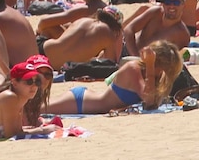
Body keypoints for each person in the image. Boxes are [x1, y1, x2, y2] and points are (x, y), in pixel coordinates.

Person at [45, 40, 182, 114]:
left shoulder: (154, 76)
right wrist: (151, 65)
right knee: (34, 110)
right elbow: (149, 100)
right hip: (80, 102)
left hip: (88, 101)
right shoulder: (133, 69)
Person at [38, 6, 124, 70]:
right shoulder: (109, 35)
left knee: (48, 31)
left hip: (42, 49)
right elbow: (110, 63)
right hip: (56, 66)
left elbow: (71, 41)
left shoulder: (84, 20)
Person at [122, 0, 190, 56]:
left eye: (176, 3)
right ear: (163, 4)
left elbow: (176, 60)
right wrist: (135, 56)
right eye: (167, 2)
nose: (171, 6)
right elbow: (128, 29)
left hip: (148, 63)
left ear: (183, 5)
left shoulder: (182, 34)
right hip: (129, 50)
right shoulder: (155, 12)